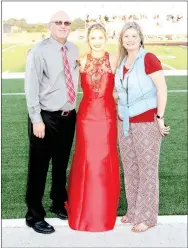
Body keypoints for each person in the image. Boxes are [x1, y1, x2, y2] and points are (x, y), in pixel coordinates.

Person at [24, 10, 79, 234]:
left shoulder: (74, 49)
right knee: (38, 167)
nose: (63, 25)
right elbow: (31, 87)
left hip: (68, 115)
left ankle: (58, 203)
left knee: (60, 164)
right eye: (59, 22)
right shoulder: (39, 51)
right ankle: (34, 215)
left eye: (67, 22)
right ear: (50, 25)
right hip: (46, 117)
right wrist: (37, 119)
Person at [115, 22, 170, 232]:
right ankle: (134, 211)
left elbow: (161, 89)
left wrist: (160, 117)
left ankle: (147, 217)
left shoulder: (148, 58)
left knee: (147, 170)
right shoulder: (122, 62)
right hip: (125, 123)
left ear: (140, 38)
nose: (129, 39)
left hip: (146, 122)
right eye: (125, 36)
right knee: (130, 170)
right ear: (121, 40)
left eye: (133, 36)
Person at [67, 23, 120, 232]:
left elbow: (120, 88)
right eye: (93, 38)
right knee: (86, 159)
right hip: (86, 118)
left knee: (104, 159)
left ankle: (103, 209)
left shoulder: (115, 59)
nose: (97, 42)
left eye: (100, 38)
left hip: (107, 118)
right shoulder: (79, 61)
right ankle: (83, 209)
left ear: (105, 38)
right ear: (88, 40)